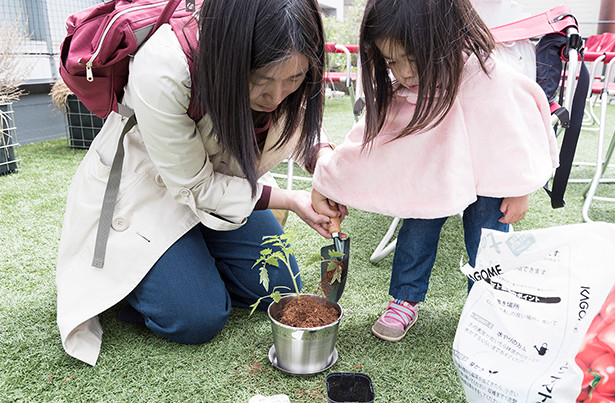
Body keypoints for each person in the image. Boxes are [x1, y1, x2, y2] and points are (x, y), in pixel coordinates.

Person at [56, 0, 335, 366]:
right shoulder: (165, 67)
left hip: (224, 183)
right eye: (262, 81)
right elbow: (196, 187)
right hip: (152, 190)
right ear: (230, 55)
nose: (277, 96)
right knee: (197, 318)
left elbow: (297, 121)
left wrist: (327, 163)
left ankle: (193, 259)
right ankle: (140, 287)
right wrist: (291, 199)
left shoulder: (282, 64)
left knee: (280, 288)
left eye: (295, 79)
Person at [311, 0, 559, 342]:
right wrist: (328, 181)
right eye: (391, 61)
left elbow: (516, 133)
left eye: (412, 59)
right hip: (434, 174)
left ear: (446, 38)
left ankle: (488, 306)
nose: (404, 73)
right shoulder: (404, 90)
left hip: (490, 179)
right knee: (417, 227)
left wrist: (520, 188)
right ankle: (404, 298)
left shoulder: (488, 77)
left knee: (488, 240)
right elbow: (367, 139)